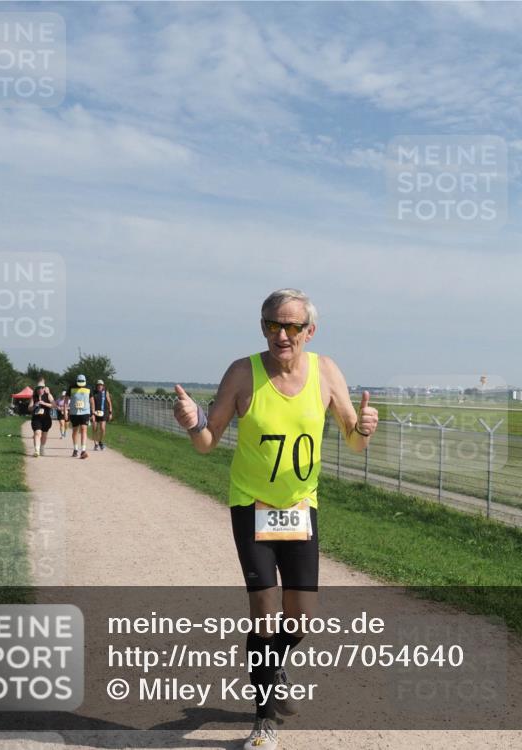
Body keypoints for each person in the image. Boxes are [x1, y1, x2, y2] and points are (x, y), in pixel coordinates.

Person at [173, 289, 378, 750]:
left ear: (310, 330)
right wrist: (191, 422)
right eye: (271, 325)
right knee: (264, 613)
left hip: (301, 507)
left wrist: (364, 427)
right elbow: (208, 442)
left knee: (300, 619)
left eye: (291, 326)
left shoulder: (325, 371)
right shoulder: (243, 372)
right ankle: (264, 721)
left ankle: (272, 667)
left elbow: (354, 440)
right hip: (252, 505)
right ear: (262, 326)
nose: (280, 335)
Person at [68, 374, 93, 459]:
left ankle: (83, 450)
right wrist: (65, 410)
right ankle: (75, 449)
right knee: (75, 430)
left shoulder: (89, 388)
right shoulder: (71, 387)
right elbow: (66, 399)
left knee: (83, 429)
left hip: (85, 412)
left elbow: (92, 400)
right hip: (74, 412)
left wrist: (92, 412)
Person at [30, 385, 56, 457]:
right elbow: (29, 408)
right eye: (38, 388)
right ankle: (36, 451)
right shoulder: (34, 397)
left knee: (44, 435)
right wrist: (35, 405)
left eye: (41, 388)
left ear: (44, 389)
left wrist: (44, 403)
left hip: (46, 418)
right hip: (36, 419)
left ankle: (42, 448)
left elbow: (54, 405)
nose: (40, 390)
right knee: (37, 433)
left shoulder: (48, 395)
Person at [90, 379, 113, 450]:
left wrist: (110, 413)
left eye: (101, 385)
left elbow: (109, 402)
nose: (100, 386)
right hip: (94, 413)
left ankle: (100, 441)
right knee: (94, 428)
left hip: (103, 412)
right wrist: (91, 414)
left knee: (102, 428)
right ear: (96, 386)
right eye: (98, 385)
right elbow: (90, 403)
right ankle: (96, 444)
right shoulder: (93, 393)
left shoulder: (105, 392)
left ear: (103, 386)